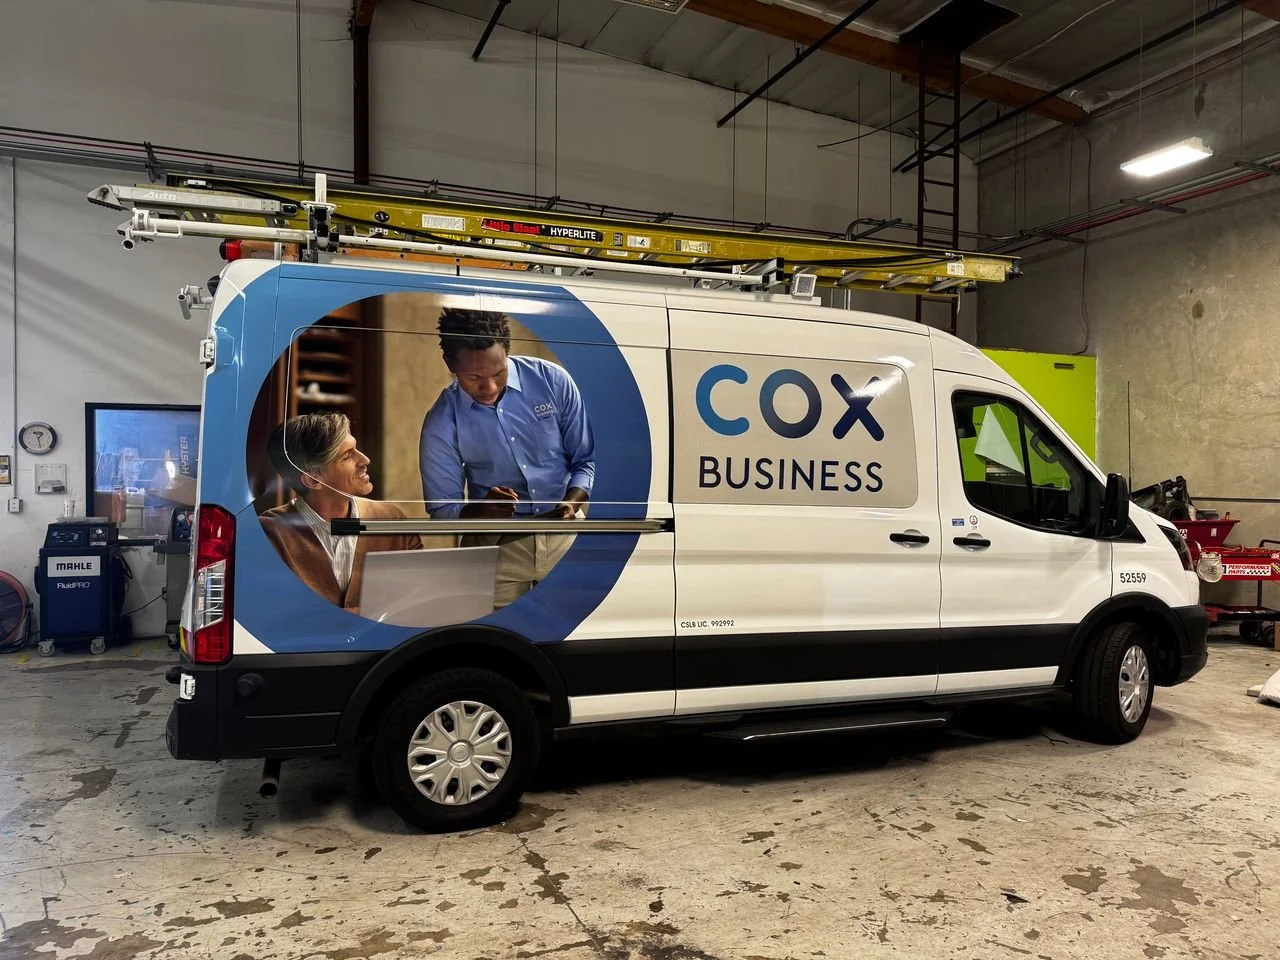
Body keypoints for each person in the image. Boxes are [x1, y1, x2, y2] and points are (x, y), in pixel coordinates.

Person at [419, 307, 595, 608]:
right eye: (474, 377)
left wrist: (572, 501)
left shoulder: (554, 382)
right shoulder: (441, 420)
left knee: (577, 630)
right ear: (450, 363)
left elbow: (586, 460)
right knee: (492, 635)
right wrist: (480, 511)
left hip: (567, 537)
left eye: (499, 373)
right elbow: (443, 509)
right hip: (493, 550)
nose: (488, 387)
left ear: (508, 351)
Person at [261, 413, 421, 611]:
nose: (365, 460)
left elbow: (419, 602)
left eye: (356, 449)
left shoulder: (394, 521)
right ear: (312, 480)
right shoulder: (269, 534)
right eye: (347, 456)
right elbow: (272, 613)